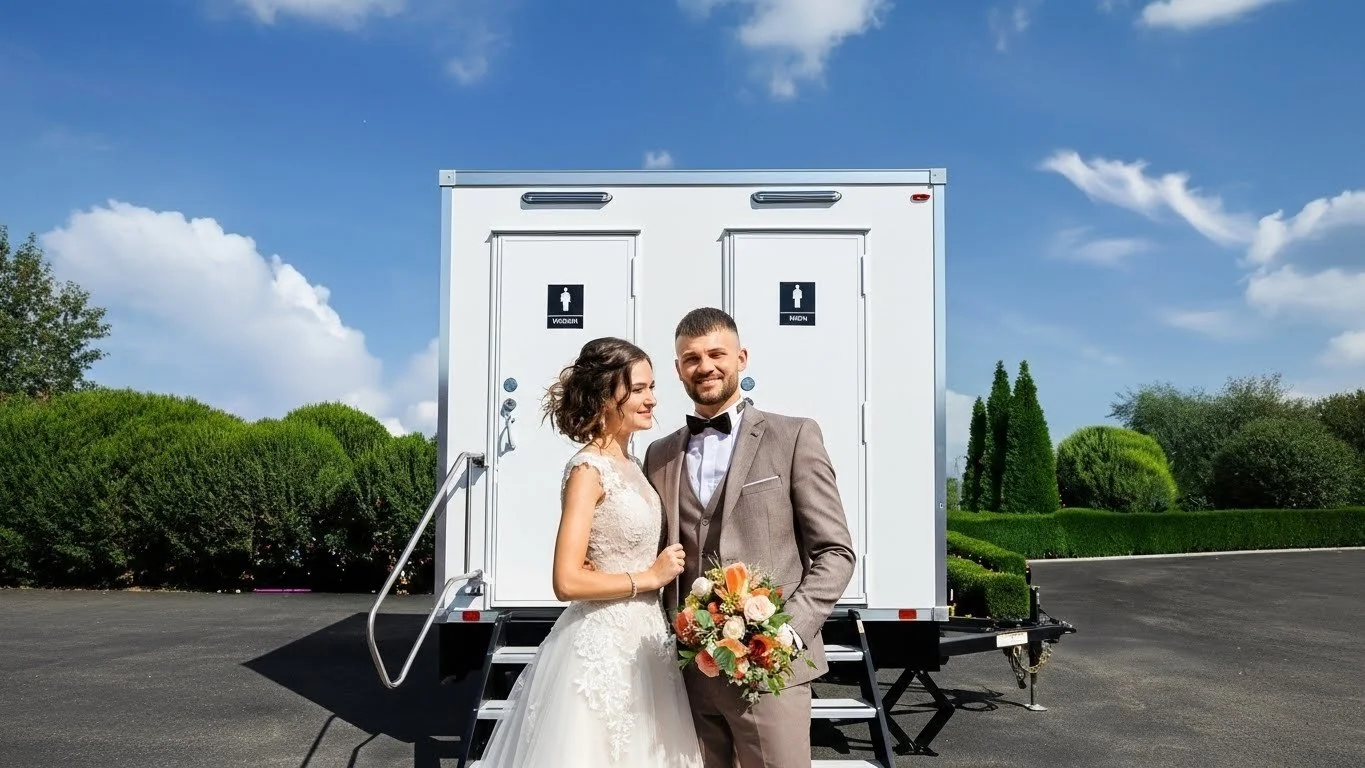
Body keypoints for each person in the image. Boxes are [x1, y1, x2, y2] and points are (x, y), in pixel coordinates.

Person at [642, 307, 857, 768]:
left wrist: (786, 632)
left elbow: (835, 552)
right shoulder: (658, 454)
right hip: (686, 673)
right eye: (691, 358)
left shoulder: (794, 435)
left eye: (716, 353)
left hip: (770, 667)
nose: (705, 366)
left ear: (741, 357)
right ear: (678, 368)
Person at [475, 337, 704, 767]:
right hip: (603, 645)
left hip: (647, 642)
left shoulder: (634, 464)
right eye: (638, 390)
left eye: (652, 387)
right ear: (604, 395)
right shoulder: (588, 470)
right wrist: (649, 578)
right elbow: (566, 580)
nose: (652, 399)